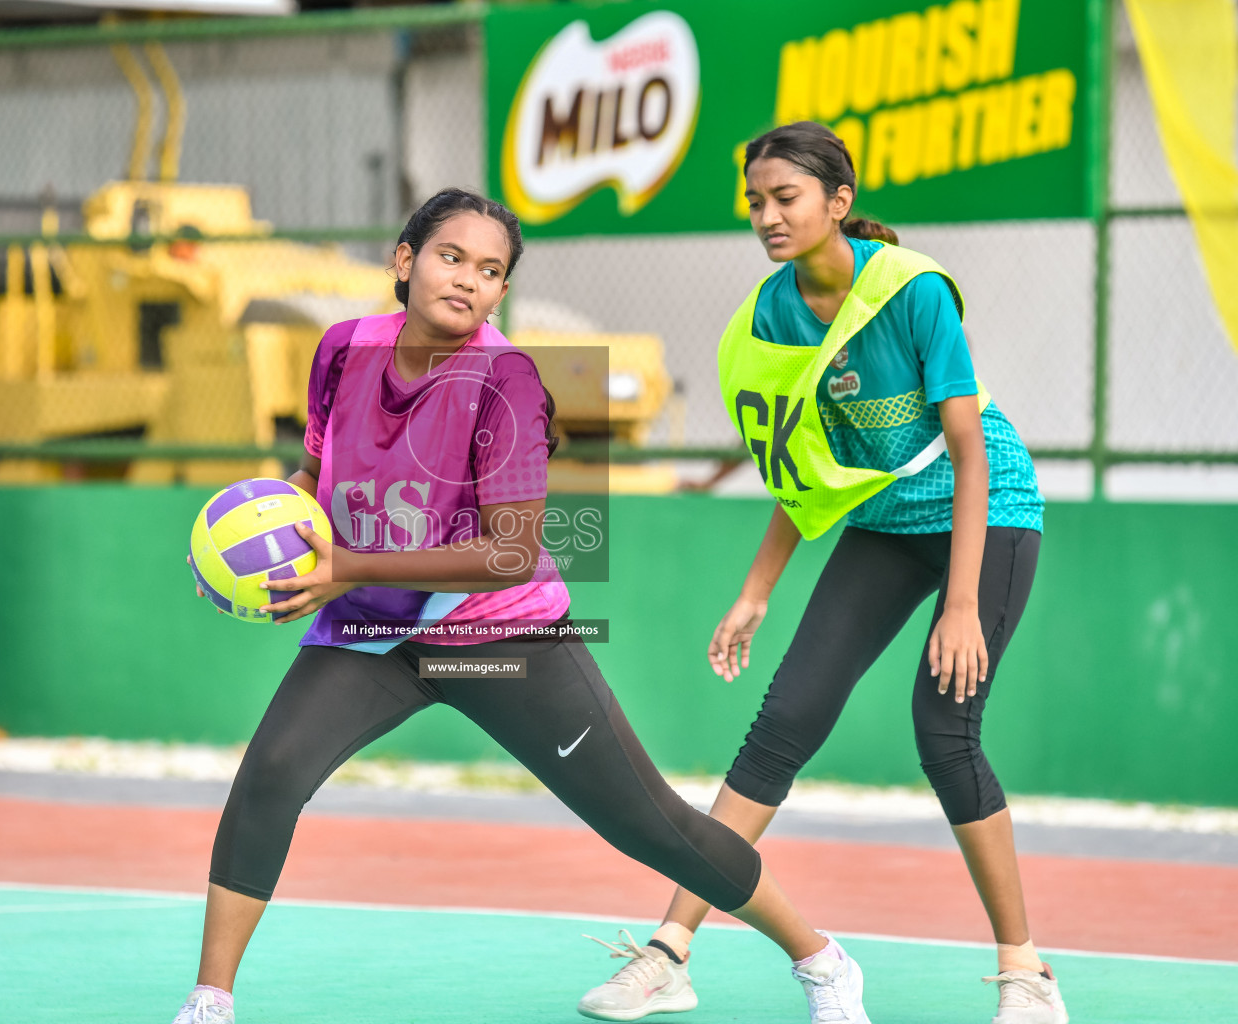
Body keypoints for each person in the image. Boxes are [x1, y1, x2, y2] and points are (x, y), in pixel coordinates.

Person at [171, 187, 873, 1024]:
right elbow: (316, 473)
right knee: (270, 775)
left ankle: (821, 960)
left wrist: (342, 568)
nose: (469, 279)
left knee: (649, 825)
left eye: (491, 270)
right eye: (451, 257)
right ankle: (210, 1001)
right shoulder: (341, 349)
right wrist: (270, 543)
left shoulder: (506, 383)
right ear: (404, 261)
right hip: (371, 625)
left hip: (500, 633)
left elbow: (506, 552)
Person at [575, 123, 1064, 1024]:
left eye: (785, 198)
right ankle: (670, 951)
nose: (766, 216)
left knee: (943, 731)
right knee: (782, 723)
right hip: (880, 524)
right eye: (756, 202)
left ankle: (1028, 973)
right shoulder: (771, 314)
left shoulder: (913, 293)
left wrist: (961, 604)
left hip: (985, 515)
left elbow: (966, 446)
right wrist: (756, 590)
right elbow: (798, 468)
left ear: (838, 202)